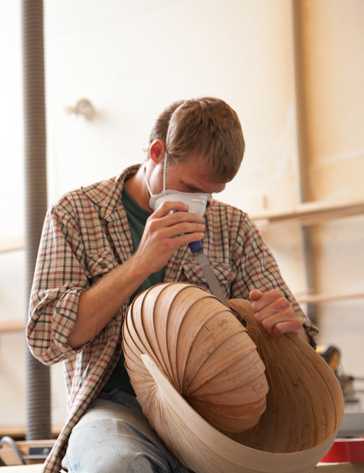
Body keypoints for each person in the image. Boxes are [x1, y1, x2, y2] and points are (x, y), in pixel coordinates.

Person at [26, 97, 318, 473]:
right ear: (157, 152)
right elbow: (46, 340)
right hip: (119, 410)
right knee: (117, 466)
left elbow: (303, 345)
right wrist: (139, 265)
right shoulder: (75, 214)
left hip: (214, 416)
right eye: (189, 187)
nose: (199, 203)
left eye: (210, 195)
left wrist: (283, 331)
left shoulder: (233, 227)